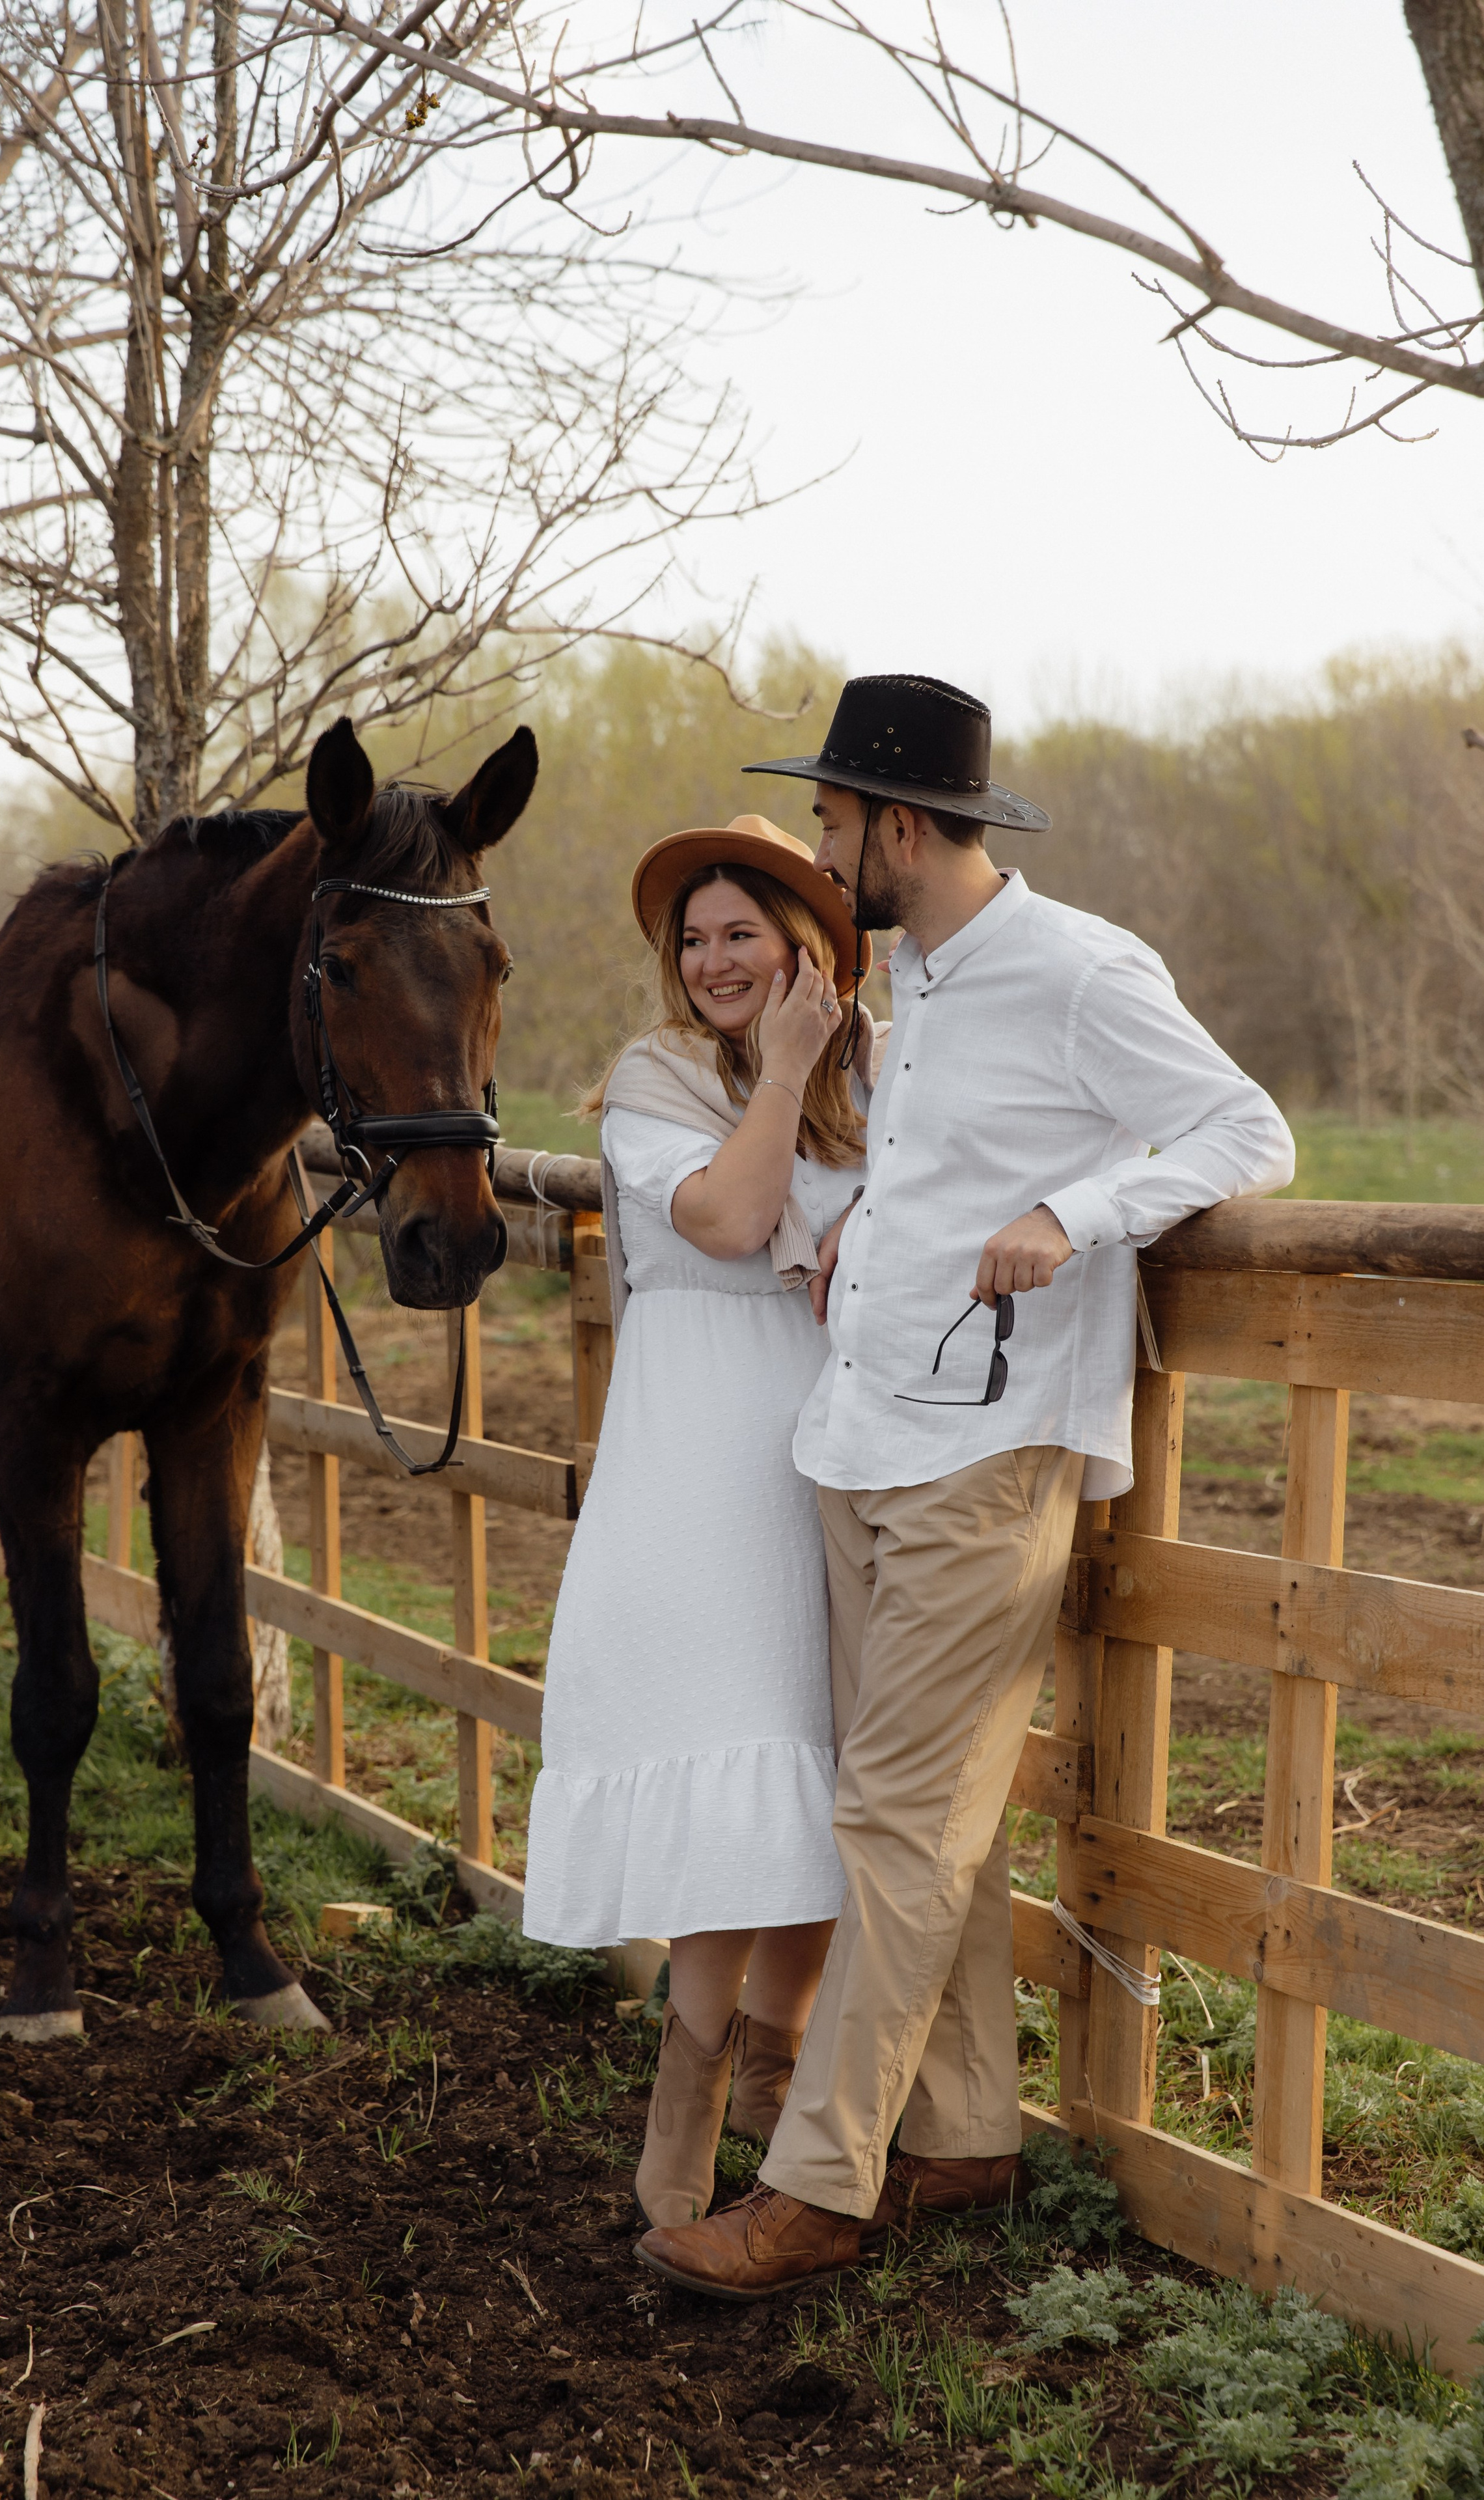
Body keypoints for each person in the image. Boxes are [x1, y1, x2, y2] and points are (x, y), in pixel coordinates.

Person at [633, 673, 1296, 2298]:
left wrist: (1075, 1215)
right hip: (860, 1440)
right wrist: (868, 1239)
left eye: (832, 819)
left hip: (984, 1459)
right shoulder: (911, 984)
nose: (816, 843)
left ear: (901, 829)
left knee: (894, 1825)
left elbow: (1243, 1129)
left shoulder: (1076, 968)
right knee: (930, 1823)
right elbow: (927, 1167)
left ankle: (815, 2188)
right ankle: (961, 2138)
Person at [522, 814, 879, 2230]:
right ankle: (683, 2101)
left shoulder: (874, 1074)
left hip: (828, 1438)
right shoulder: (658, 1073)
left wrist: (881, 1216)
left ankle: (776, 2080)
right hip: (695, 1447)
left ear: (805, 947)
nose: (716, 959)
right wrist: (785, 1069)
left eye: (745, 933)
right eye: (696, 937)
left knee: (810, 1767)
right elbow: (733, 1222)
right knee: (729, 1758)